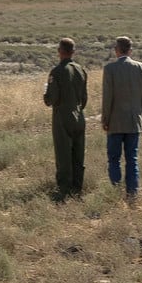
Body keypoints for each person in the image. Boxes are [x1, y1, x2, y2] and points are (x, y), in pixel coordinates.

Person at [101, 37, 142, 204]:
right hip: (134, 120)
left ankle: (116, 193)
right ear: (130, 50)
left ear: (117, 50)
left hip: (115, 121)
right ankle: (132, 195)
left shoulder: (110, 69)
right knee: (132, 159)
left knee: (114, 159)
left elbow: (107, 98)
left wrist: (105, 119)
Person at [44, 38, 88, 199]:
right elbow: (84, 98)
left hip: (62, 117)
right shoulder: (80, 70)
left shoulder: (57, 72)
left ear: (60, 51)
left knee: (63, 155)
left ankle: (64, 191)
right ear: (73, 52)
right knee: (78, 155)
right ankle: (77, 189)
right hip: (79, 116)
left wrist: (46, 96)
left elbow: (52, 99)